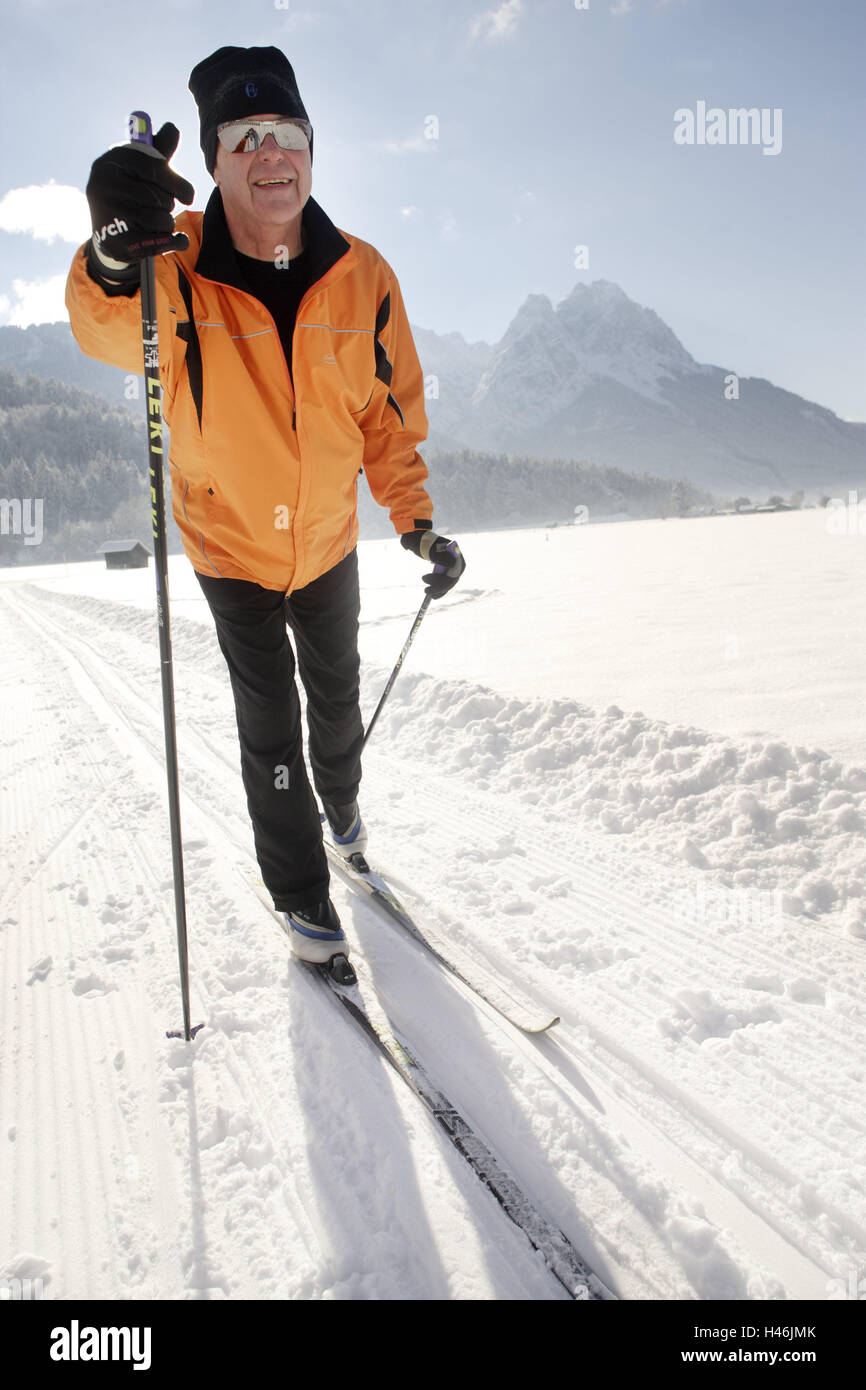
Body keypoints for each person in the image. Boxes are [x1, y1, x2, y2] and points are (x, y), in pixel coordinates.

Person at [66, 45, 465, 975]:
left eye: (286, 134)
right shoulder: (176, 262)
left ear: (311, 152)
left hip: (326, 540)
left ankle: (345, 805)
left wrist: (414, 520)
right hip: (229, 543)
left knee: (335, 697)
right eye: (244, 138)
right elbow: (106, 328)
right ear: (212, 162)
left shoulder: (363, 276)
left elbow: (388, 416)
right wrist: (112, 256)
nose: (270, 153)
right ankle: (298, 892)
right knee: (268, 723)